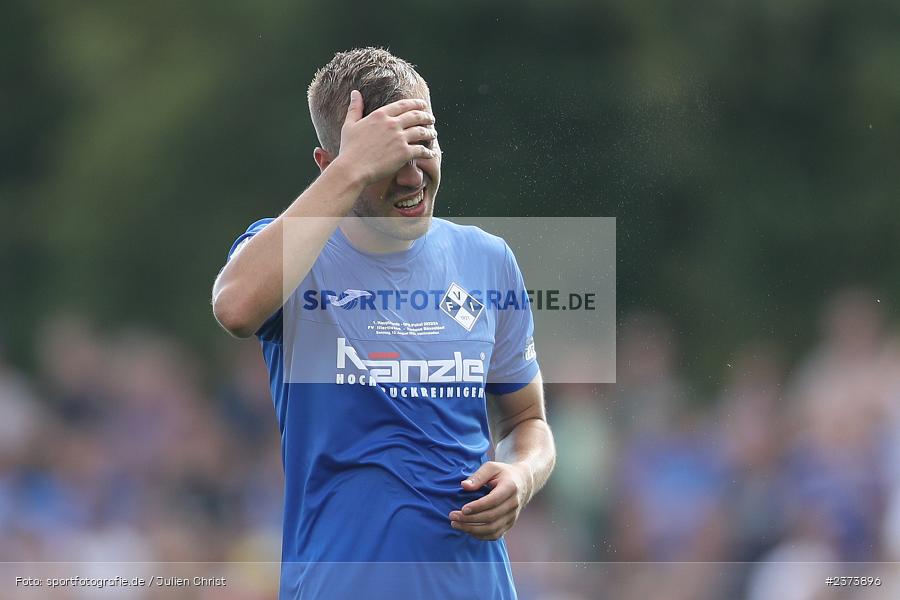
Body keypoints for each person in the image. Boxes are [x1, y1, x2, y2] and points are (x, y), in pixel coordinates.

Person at [212, 47, 555, 600]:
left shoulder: (488, 260)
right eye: (387, 162)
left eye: (423, 149)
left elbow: (527, 423)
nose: (413, 177)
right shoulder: (297, 254)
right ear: (330, 165)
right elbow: (233, 308)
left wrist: (522, 475)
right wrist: (353, 168)